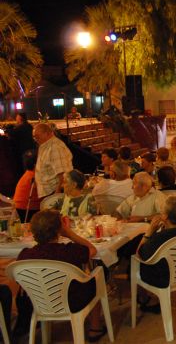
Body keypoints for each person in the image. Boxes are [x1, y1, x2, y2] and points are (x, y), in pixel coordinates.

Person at [17, 209, 107, 342]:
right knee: (96, 276)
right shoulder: (69, 251)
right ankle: (95, 328)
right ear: (59, 230)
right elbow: (92, 249)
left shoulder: (25, 255)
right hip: (71, 301)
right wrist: (70, 234)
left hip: (38, 302)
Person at [135, 195, 176, 311]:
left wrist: (149, 232)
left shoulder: (159, 238)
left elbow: (139, 254)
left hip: (165, 278)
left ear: (164, 216)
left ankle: (145, 299)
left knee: (133, 265)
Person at [33, 123, 73, 197]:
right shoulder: (45, 145)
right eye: (34, 137)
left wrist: (56, 196)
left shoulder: (55, 147)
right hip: (48, 191)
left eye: (37, 137)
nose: (36, 139)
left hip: (53, 192)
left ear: (47, 134)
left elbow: (63, 174)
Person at [13, 151, 40, 222]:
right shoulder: (35, 176)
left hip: (19, 206)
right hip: (28, 208)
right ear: (36, 164)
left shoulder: (28, 173)